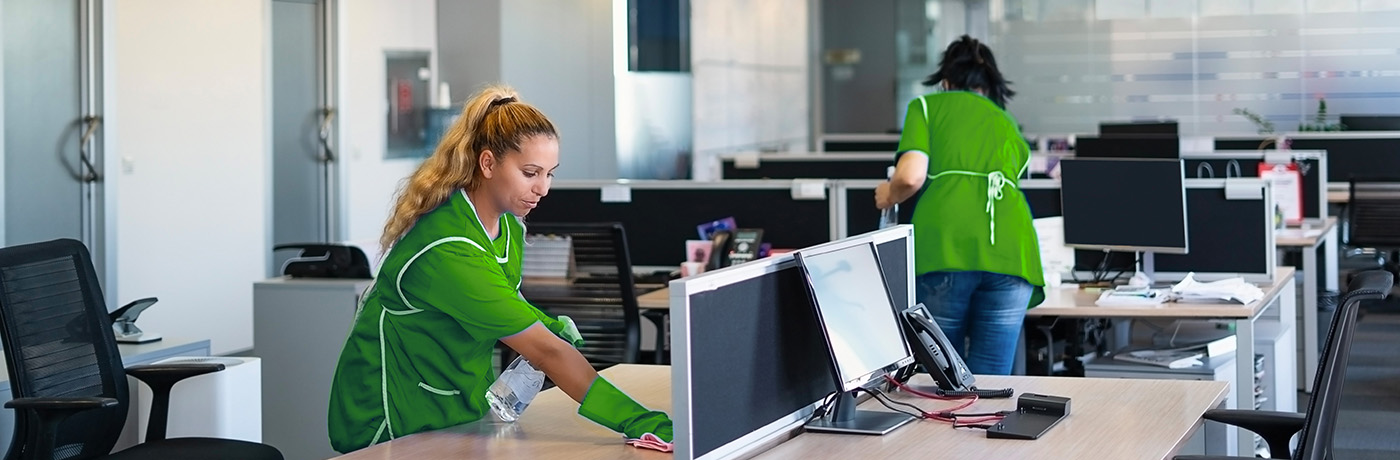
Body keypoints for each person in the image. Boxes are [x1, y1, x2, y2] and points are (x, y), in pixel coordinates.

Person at [327, 85, 671, 453]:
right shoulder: (450, 251)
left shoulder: (506, 226)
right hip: (393, 416)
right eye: (530, 172)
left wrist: (542, 322)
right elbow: (545, 352)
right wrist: (637, 419)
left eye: (550, 173)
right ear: (488, 163)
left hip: (457, 403)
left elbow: (501, 300)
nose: (543, 188)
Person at [874, 36, 1044, 375]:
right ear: (990, 84)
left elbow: (910, 177)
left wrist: (887, 195)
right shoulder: (1006, 122)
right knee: (991, 379)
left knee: (941, 378)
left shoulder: (926, 108)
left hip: (947, 247)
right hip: (1013, 254)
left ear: (946, 81)